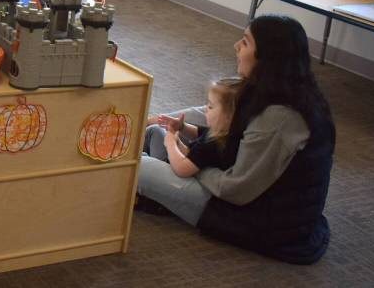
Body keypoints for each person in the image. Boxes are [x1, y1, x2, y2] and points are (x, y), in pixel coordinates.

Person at [137, 15, 336, 264]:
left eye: (245, 42)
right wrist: (153, 120)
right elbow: (209, 111)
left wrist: (192, 165)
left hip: (258, 221)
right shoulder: (270, 87)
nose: (236, 47)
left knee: (138, 166)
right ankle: (158, 196)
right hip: (244, 194)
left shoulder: (281, 117)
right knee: (155, 135)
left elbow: (236, 190)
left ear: (267, 56)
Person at [153, 77, 243, 178]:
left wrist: (171, 143)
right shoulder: (220, 131)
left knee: (143, 161)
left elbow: (182, 169)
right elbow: (196, 136)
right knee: (155, 130)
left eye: (211, 106)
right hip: (180, 162)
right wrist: (182, 127)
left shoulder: (216, 144)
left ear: (230, 117)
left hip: (178, 173)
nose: (206, 109)